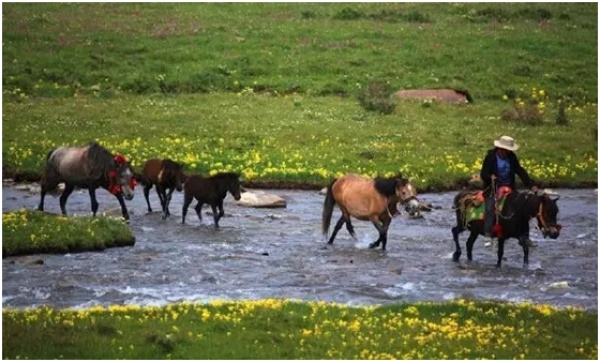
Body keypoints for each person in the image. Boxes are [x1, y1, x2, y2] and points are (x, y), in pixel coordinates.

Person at [480, 135, 538, 247]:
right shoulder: (490, 157)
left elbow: (520, 171)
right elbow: (483, 173)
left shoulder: (511, 157)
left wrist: (531, 185)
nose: (507, 152)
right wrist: (490, 177)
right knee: (490, 208)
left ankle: (524, 236)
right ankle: (488, 235)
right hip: (493, 188)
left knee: (522, 209)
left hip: (509, 188)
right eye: (506, 150)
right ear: (500, 148)